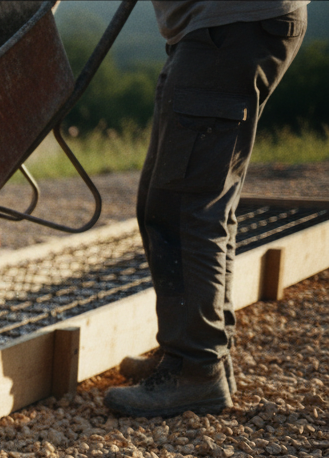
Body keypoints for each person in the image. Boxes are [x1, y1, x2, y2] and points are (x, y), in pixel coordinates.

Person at [103, 0, 308, 418]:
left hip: (231, 25)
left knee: (188, 207)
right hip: (213, 28)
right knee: (165, 202)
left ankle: (198, 369)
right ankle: (187, 353)